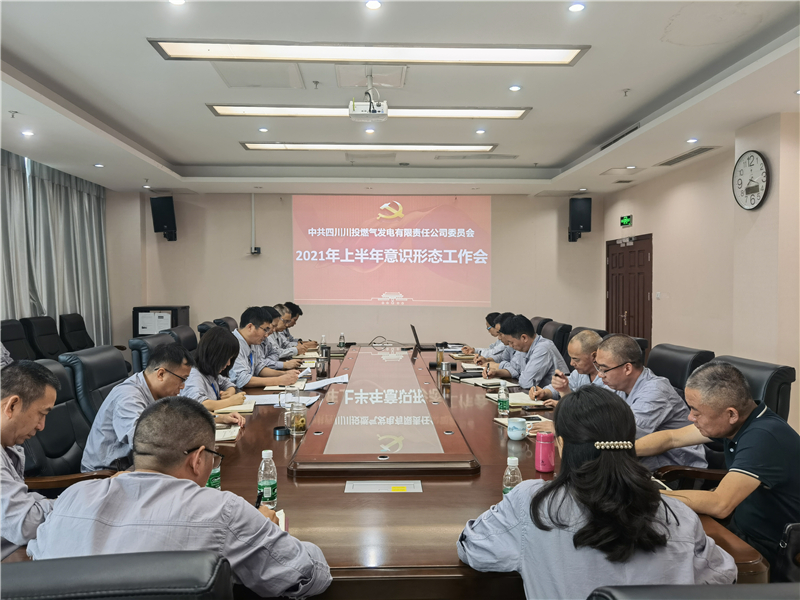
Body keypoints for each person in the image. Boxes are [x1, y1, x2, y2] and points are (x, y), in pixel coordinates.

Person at [29, 396, 332, 598]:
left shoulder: (73, 497)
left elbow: (37, 559)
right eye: (214, 456)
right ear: (198, 459)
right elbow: (307, 575)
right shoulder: (221, 511)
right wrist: (266, 527)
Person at [457, 386, 736, 599]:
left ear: (561, 444)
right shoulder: (678, 515)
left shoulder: (533, 503)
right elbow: (723, 577)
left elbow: (473, 548)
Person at [636, 361, 800, 568]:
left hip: (771, 550)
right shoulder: (741, 420)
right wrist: (618, 450)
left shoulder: (763, 437)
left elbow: (720, 504)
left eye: (696, 412)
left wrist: (646, 495)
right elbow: (671, 438)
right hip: (740, 527)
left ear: (731, 414)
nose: (690, 417)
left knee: (659, 557)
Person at [595, 334, 706, 470]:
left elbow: (624, 436)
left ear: (627, 368)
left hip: (675, 469)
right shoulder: (616, 385)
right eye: (598, 368)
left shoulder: (655, 391)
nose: (600, 374)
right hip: (640, 460)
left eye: (604, 369)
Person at [81, 343, 194, 472]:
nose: (183, 386)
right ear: (161, 374)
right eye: (182, 379)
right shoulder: (128, 396)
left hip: (133, 464)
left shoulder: (155, 392)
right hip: (106, 474)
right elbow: (143, 441)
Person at [1, 361, 60, 559]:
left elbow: (21, 504)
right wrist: (73, 502)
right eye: (41, 414)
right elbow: (24, 524)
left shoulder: (10, 446)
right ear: (12, 405)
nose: (42, 426)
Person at [529, 329, 622, 406]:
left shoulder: (610, 379)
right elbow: (562, 388)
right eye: (571, 358)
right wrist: (544, 393)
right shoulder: (579, 373)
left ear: (594, 356)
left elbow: (596, 409)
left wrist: (564, 404)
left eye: (576, 359)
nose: (571, 363)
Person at [182, 327, 246, 426]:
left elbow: (226, 382)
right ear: (215, 355)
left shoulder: (209, 371)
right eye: (227, 358)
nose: (229, 363)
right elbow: (198, 405)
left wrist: (230, 391)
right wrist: (230, 401)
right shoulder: (193, 374)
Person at [484, 314, 568, 390]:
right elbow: (515, 369)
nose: (510, 346)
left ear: (524, 338)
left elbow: (527, 383)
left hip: (552, 398)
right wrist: (496, 373)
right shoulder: (524, 347)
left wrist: (520, 374)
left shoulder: (543, 349)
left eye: (511, 342)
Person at [229, 307, 300, 389]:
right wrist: (278, 380)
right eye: (265, 330)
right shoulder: (232, 343)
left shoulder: (253, 342)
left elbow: (259, 368)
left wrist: (284, 374)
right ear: (250, 327)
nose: (266, 335)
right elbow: (241, 379)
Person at [258, 306, 302, 371]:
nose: (287, 325)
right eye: (285, 321)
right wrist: (284, 365)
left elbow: (276, 353)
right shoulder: (264, 336)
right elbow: (261, 364)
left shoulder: (271, 333)